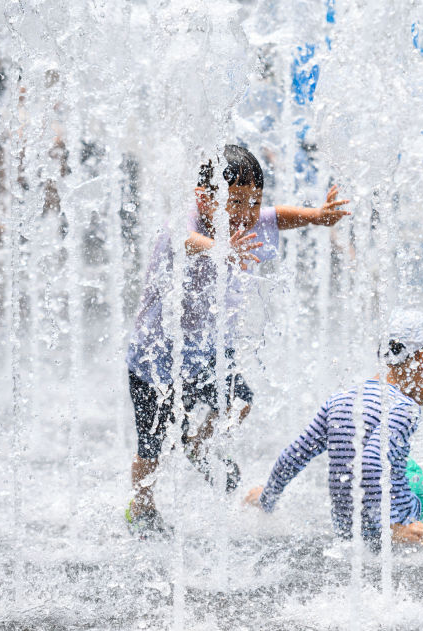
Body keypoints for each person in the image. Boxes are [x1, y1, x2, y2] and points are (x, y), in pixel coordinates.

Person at [125, 144, 350, 538]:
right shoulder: (184, 223)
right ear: (204, 197)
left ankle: (198, 444)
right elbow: (183, 239)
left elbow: (278, 217)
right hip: (155, 356)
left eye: (254, 200)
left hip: (208, 348)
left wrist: (316, 216)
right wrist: (221, 248)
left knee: (239, 401)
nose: (248, 212)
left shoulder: (245, 219)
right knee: (153, 442)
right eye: (237, 201)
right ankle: (141, 506)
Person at [245, 310, 423, 547]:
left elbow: (294, 454)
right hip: (397, 525)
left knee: (405, 464)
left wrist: (266, 499)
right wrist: (394, 528)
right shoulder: (403, 407)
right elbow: (372, 461)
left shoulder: (341, 400)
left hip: (349, 528)